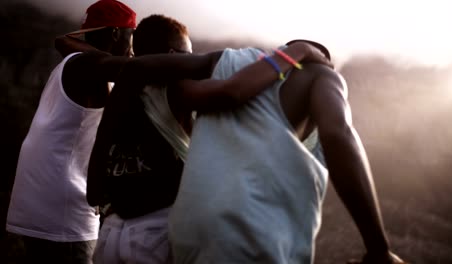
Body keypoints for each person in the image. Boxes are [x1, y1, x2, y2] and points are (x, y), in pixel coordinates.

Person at [81, 14, 333, 263]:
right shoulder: (175, 89)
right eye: (188, 54)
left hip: (110, 235)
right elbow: (231, 92)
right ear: (171, 58)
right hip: (153, 235)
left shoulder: (120, 93)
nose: (193, 61)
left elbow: (93, 190)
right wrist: (292, 54)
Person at [167, 41, 408, 264]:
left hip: (186, 234)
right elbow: (339, 135)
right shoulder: (323, 76)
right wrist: (379, 249)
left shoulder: (227, 71)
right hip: (250, 237)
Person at [5, 0, 136, 263]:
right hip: (62, 210)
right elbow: (134, 71)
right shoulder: (87, 67)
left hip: (41, 200)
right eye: (130, 36)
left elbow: (63, 42)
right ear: (114, 34)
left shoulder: (72, 64)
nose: (132, 48)